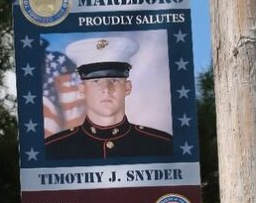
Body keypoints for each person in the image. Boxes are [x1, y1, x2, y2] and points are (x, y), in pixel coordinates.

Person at [45, 36, 173, 159]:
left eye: (114, 80)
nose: (106, 89)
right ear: (82, 89)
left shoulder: (162, 145)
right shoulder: (53, 148)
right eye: (95, 81)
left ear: (127, 87)